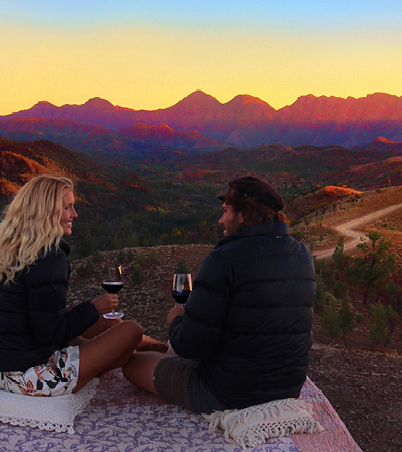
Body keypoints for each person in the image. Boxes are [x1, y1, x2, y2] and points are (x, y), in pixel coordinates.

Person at [123, 176, 315, 413]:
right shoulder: (302, 254)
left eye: (226, 211)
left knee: (133, 365)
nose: (221, 220)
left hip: (229, 394)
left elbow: (193, 347)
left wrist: (176, 322)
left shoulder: (224, 259)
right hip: (287, 389)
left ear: (244, 214)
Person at [0, 175, 145, 396]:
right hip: (32, 378)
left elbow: (37, 322)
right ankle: (152, 354)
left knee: (107, 322)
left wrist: (92, 317)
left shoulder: (14, 249)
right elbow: (50, 334)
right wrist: (93, 308)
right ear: (46, 212)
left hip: (1, 372)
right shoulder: (49, 258)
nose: (74, 214)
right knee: (131, 331)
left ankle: (153, 348)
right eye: (67, 207)